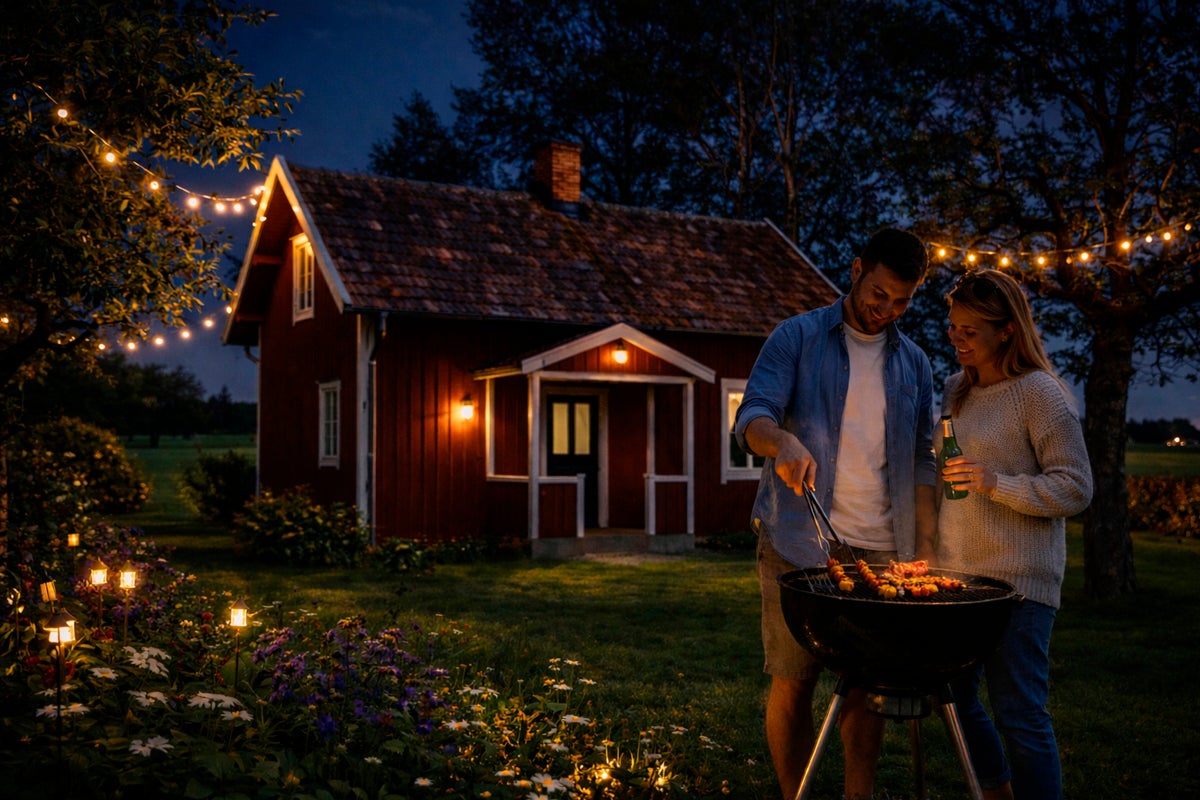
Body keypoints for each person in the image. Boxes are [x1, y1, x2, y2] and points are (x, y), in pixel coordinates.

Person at [734, 227, 938, 800]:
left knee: (865, 683)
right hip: (798, 541)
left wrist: (924, 540)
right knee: (794, 681)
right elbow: (753, 417)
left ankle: (858, 795)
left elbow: (923, 459)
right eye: (879, 294)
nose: (887, 310)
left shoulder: (916, 364)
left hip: (879, 545)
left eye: (902, 301)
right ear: (855, 271)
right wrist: (783, 444)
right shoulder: (796, 337)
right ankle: (792, 793)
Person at [934, 269, 1093, 800]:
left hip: (1021, 584)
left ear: (1006, 330)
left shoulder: (1039, 393)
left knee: (1019, 712)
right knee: (951, 696)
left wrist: (995, 483)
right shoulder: (957, 392)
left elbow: (1075, 487)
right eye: (952, 327)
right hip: (960, 581)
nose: (955, 339)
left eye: (969, 331)